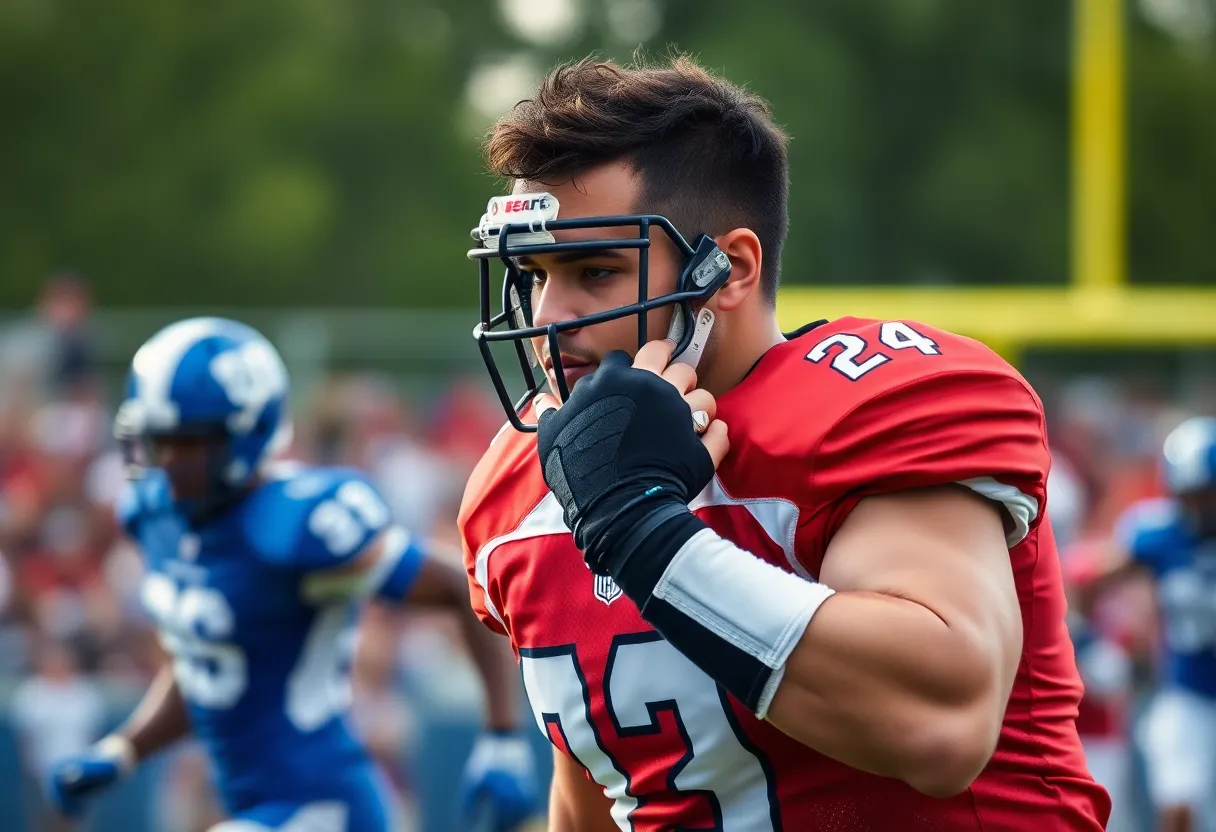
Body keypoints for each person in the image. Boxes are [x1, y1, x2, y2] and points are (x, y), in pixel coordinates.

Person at [456, 55, 1111, 831]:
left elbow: (940, 728)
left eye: (594, 270)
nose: (551, 316)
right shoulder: (521, 484)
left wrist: (640, 532)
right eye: (534, 273)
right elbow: (605, 778)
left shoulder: (878, 400)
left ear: (726, 269)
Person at [44, 317, 539, 832]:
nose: (168, 461)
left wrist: (504, 737)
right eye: (159, 439)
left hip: (327, 806)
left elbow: (460, 585)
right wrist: (122, 749)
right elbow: (202, 668)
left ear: (246, 434)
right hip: (255, 810)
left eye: (188, 442)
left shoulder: (295, 527)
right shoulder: (155, 518)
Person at [1106, 416, 1216, 832]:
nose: (1197, 508)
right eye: (1189, 496)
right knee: (1178, 811)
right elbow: (1092, 580)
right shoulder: (1159, 533)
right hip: (1186, 694)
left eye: (1206, 496)